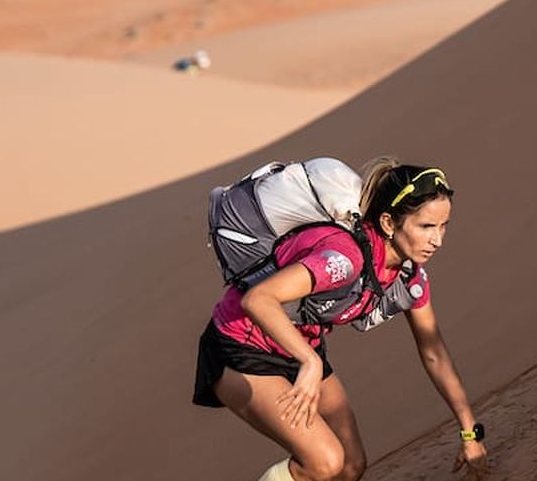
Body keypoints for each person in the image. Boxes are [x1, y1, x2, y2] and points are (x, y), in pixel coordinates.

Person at [193, 159, 488, 480]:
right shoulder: (344, 258)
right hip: (240, 347)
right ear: (388, 223)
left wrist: (469, 433)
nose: (438, 239)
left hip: (297, 348)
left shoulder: (408, 278)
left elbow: (434, 354)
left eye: (443, 226)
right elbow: (257, 299)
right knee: (324, 462)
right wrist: (309, 362)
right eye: (426, 227)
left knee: (350, 465)